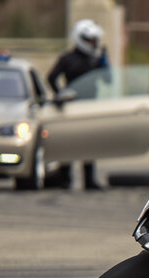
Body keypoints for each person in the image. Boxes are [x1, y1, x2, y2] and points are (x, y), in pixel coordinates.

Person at [47, 19, 108, 190]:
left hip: (90, 106)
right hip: (72, 106)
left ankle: (89, 180)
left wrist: (105, 64)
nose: (94, 44)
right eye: (91, 40)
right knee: (70, 142)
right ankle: (65, 178)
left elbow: (108, 81)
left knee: (90, 143)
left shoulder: (95, 60)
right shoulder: (67, 59)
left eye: (95, 40)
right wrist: (60, 94)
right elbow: (51, 77)